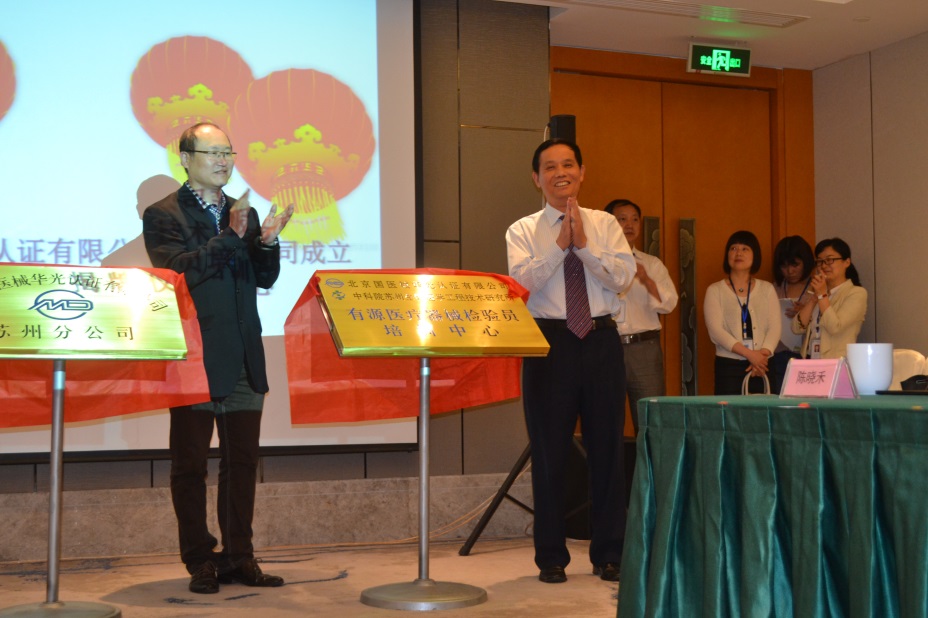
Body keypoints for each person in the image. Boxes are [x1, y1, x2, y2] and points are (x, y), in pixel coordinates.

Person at [142, 122, 294, 594]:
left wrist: (266, 242)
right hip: (194, 357)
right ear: (186, 159)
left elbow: (263, 279)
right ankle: (200, 560)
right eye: (212, 152)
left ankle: (238, 557)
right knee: (190, 465)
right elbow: (177, 272)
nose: (223, 161)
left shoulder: (241, 211)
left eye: (228, 152)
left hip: (244, 354)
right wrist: (232, 236)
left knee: (242, 462)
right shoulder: (163, 213)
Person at [506, 138, 635, 584]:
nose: (560, 173)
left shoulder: (605, 224)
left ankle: (610, 553)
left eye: (568, 165)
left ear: (582, 172)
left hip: (601, 341)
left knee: (607, 450)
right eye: (550, 167)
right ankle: (551, 557)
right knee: (549, 453)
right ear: (536, 178)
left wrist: (584, 247)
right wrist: (560, 245)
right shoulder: (522, 230)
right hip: (549, 342)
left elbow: (622, 277)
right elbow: (521, 285)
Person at [603, 199, 677, 433]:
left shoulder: (651, 264)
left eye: (635, 219)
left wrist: (646, 280)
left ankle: (650, 460)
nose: (630, 224)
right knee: (605, 420)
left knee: (651, 422)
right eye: (622, 219)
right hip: (606, 346)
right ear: (608, 224)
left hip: (644, 349)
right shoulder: (596, 262)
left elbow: (669, 304)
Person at [703, 230, 781, 395]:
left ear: (755, 255)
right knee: (730, 410)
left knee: (763, 410)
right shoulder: (715, 290)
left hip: (764, 364)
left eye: (745, 248)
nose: (738, 253)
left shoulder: (767, 289)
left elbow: (775, 327)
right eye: (733, 248)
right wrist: (750, 355)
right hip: (729, 366)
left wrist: (761, 356)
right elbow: (716, 331)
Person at [792, 237, 867, 359]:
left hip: (836, 361)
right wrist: (814, 298)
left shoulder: (856, 293)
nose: (824, 265)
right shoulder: (817, 291)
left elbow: (835, 328)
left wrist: (822, 295)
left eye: (829, 260)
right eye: (820, 261)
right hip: (809, 359)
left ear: (847, 262)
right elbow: (796, 328)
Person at [770, 235, 816, 393]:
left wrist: (806, 312)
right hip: (778, 356)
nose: (790, 271)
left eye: (795, 264)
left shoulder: (817, 287)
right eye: (784, 266)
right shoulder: (773, 289)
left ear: (806, 262)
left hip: (807, 356)